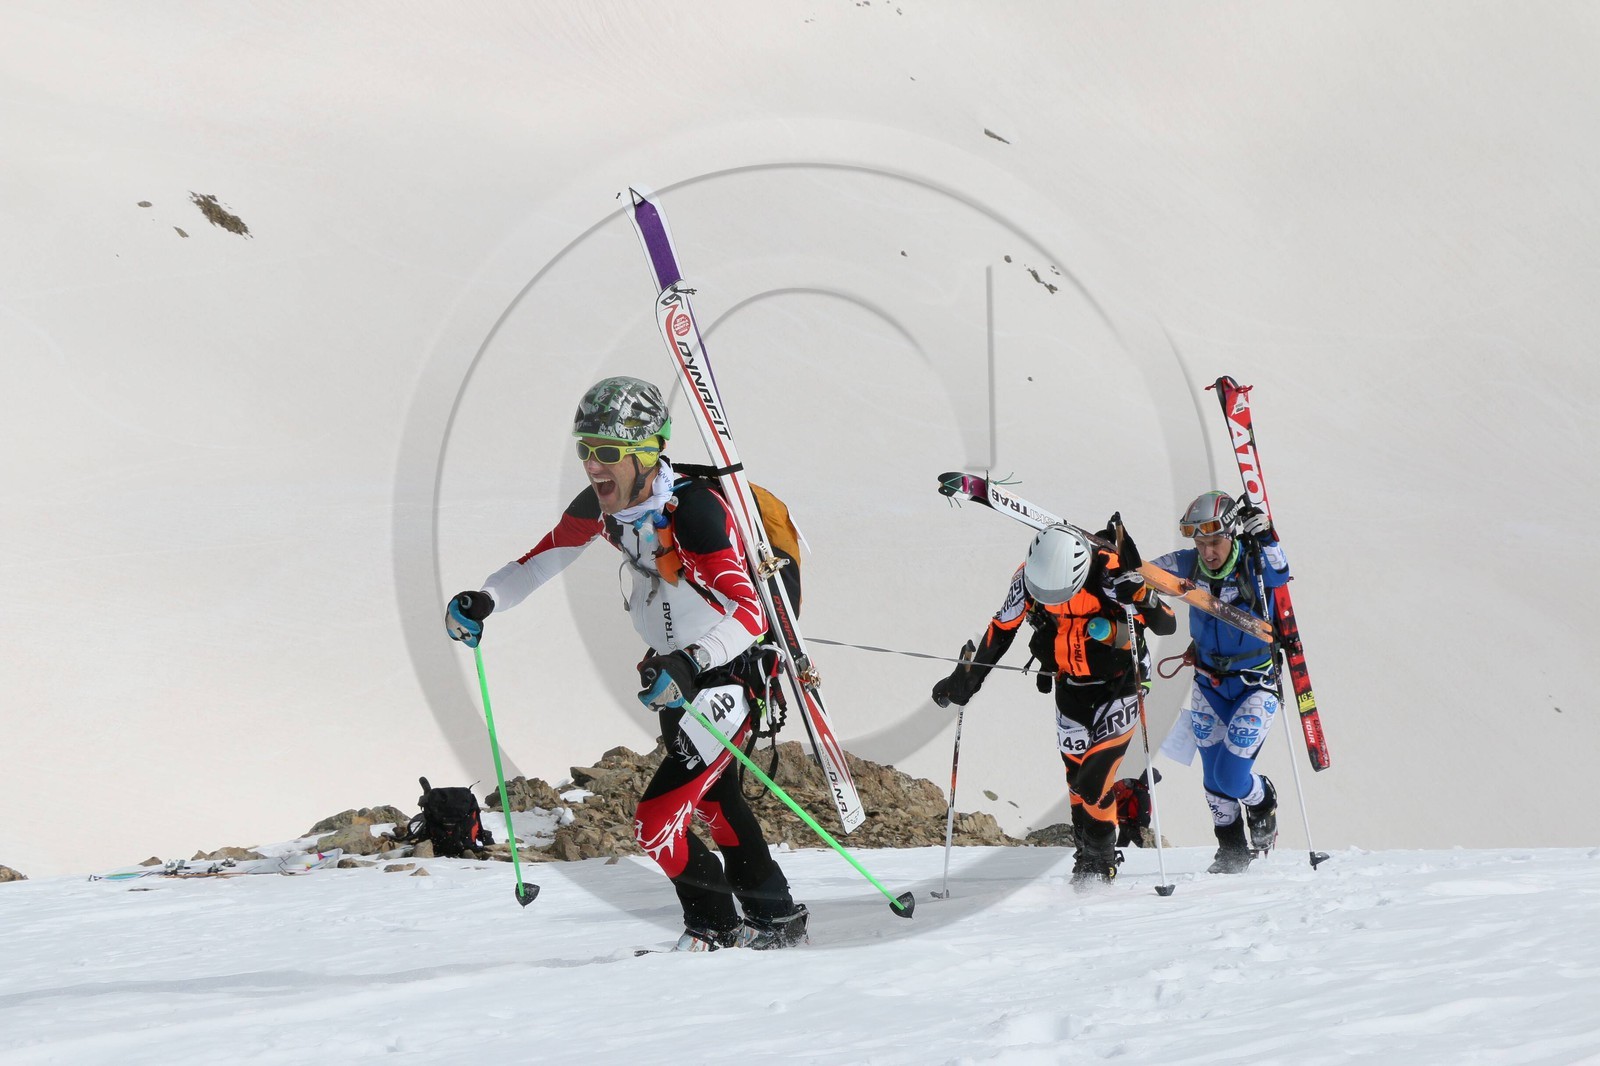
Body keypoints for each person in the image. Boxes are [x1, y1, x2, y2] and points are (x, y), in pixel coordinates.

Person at [444, 375, 807, 951]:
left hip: (728, 675)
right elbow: (538, 563)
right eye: (585, 448)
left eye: (608, 451)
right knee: (716, 799)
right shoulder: (606, 507)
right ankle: (777, 918)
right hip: (674, 678)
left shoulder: (692, 514)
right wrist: (485, 598)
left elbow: (752, 613)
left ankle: (713, 929)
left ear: (647, 452)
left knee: (657, 820)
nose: (593, 464)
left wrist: (692, 662)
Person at [930, 517, 1176, 886]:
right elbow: (1001, 629)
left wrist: (1141, 594)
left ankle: (1100, 863)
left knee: (1094, 782)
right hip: (1069, 685)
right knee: (1077, 782)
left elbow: (1166, 625)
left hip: (1121, 684)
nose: (1051, 602)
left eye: (1061, 595)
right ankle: (1085, 860)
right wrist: (965, 681)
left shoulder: (1108, 573)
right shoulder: (1028, 576)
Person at [1150, 491, 1288, 873]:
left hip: (1255, 684)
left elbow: (1280, 573)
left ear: (1233, 535)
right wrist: (1121, 567)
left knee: (1231, 776)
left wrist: (1268, 537)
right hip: (1209, 685)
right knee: (1212, 779)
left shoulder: (1256, 563)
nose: (1207, 551)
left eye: (1215, 541)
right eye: (1200, 542)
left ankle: (1262, 801)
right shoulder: (1188, 564)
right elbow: (1147, 574)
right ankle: (1231, 851)